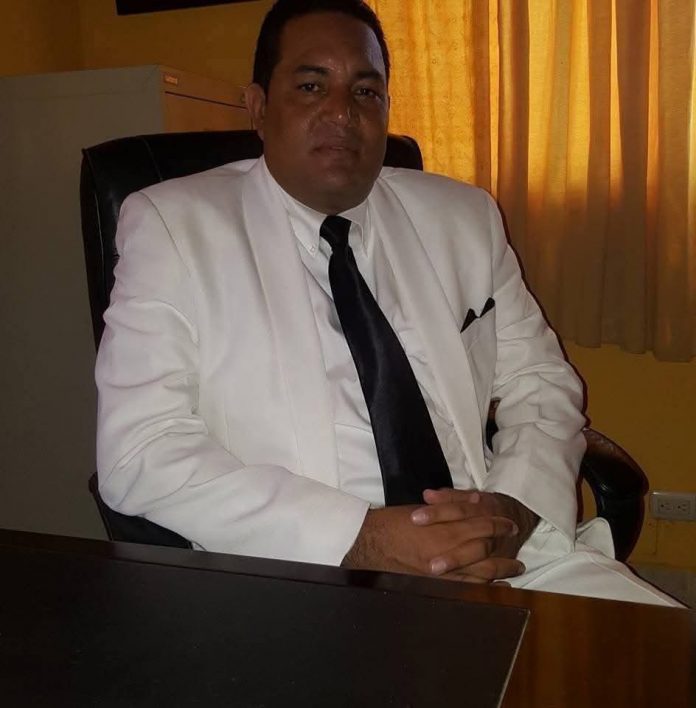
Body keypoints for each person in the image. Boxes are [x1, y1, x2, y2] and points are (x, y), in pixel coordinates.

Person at [95, 0, 678, 605]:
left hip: (497, 554)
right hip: (301, 568)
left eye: (366, 91)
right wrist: (364, 540)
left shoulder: (463, 217)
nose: (342, 112)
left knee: (652, 648)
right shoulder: (173, 227)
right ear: (260, 107)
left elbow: (541, 383)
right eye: (311, 86)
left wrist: (511, 509)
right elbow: (141, 449)